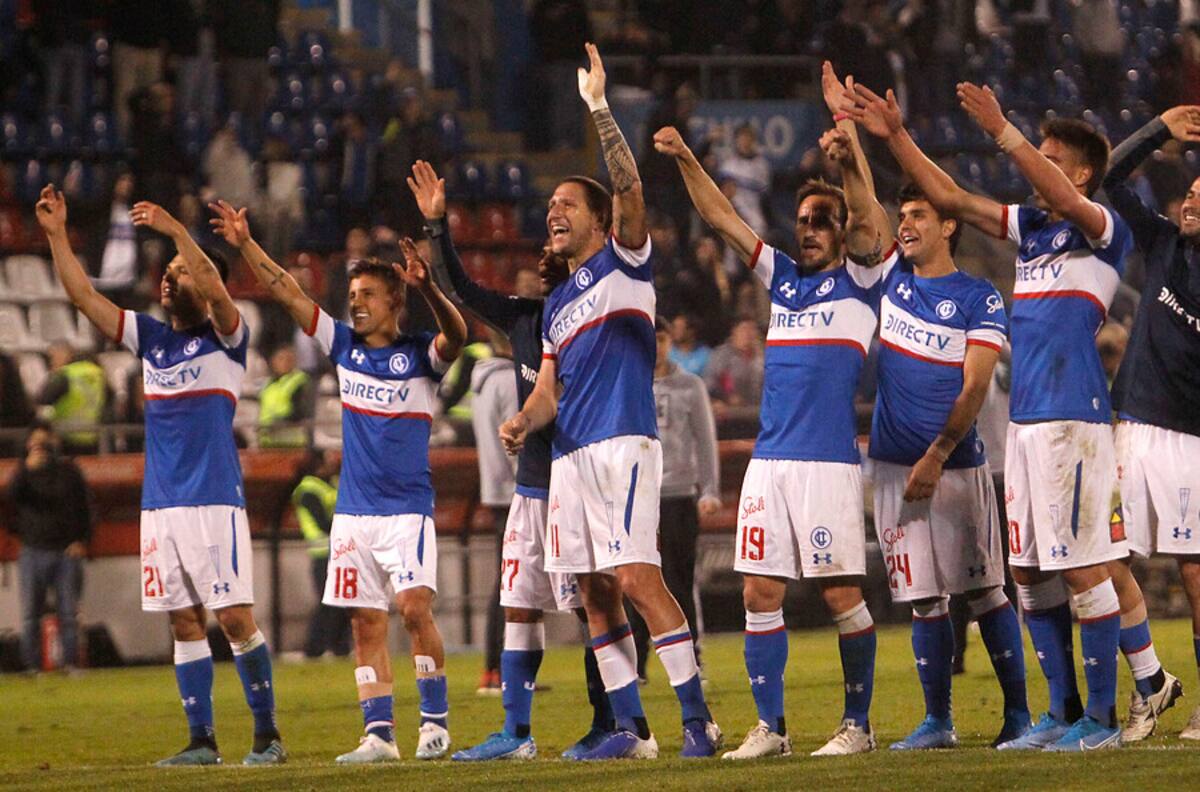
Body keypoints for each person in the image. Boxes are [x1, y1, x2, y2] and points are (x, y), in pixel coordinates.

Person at [849, 76, 1172, 751]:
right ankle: (1063, 710)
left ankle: (1105, 721)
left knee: (1084, 565)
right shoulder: (1033, 232)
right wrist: (897, 136)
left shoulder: (1101, 228)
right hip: (1025, 422)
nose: (1039, 168)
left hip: (1071, 420)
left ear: (1082, 173)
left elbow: (1060, 193)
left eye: (1054, 157)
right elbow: (952, 198)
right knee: (1028, 569)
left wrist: (1004, 131)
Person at [651, 61, 879, 758]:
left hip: (828, 464)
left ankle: (858, 727)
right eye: (803, 220)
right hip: (771, 462)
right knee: (757, 594)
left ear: (841, 233)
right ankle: (772, 729)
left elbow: (869, 215)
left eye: (822, 222)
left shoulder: (864, 283)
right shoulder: (782, 280)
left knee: (841, 596)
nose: (808, 230)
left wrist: (846, 135)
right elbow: (721, 217)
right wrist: (691, 158)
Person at [499, 43, 721, 760]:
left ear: (597, 221)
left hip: (623, 441)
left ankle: (698, 721)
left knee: (635, 576)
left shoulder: (626, 258)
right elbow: (546, 390)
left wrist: (598, 107)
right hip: (569, 457)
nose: (552, 213)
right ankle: (631, 730)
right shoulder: (559, 302)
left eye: (567, 204)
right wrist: (522, 420)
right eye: (549, 206)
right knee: (593, 595)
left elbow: (629, 188)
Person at [209, 190, 467, 763]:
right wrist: (248, 244)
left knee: (414, 609)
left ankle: (433, 723)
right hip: (354, 514)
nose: (356, 304)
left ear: (395, 298)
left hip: (406, 510)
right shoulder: (344, 347)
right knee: (364, 622)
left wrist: (429, 286)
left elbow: (460, 336)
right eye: (351, 295)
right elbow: (287, 292)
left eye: (368, 294)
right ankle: (378, 735)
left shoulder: (421, 354)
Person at [35, 185, 285, 765]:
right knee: (182, 618)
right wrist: (55, 235)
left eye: (182, 272)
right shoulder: (152, 341)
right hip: (161, 504)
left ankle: (267, 736)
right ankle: (202, 742)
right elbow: (82, 297)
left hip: (213, 499)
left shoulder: (228, 336)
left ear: (208, 280)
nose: (171, 279)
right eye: (168, 273)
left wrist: (178, 231)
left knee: (234, 617)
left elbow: (216, 290)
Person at [404, 160, 613, 760]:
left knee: (595, 606)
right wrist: (438, 227)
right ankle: (517, 734)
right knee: (520, 603)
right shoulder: (525, 319)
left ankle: (613, 722)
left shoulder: (592, 317)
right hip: (531, 490)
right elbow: (464, 291)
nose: (542, 269)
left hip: (580, 482)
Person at [841, 159, 1030, 748]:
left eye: (919, 214)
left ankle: (1019, 716)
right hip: (894, 468)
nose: (905, 225)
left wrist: (939, 452)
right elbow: (862, 206)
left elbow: (975, 386)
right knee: (922, 599)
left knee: (984, 589)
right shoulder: (892, 276)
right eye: (904, 216)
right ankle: (938, 721)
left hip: (954, 467)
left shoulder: (978, 296)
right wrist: (848, 142)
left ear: (949, 225)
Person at [1100, 104, 1200, 740]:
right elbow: (1107, 180)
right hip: (1133, 426)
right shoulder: (1163, 240)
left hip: (1193, 439)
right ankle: (1150, 683)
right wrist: (1157, 131)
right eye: (1190, 193)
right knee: (1104, 551)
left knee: (1195, 573)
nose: (1189, 203)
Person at [629, 317, 721, 678]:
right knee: (635, 581)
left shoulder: (690, 386)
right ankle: (637, 662)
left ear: (670, 341)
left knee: (680, 579)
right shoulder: (628, 383)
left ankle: (691, 654)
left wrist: (709, 489)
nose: (657, 346)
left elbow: (705, 438)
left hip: (679, 493)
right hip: (638, 497)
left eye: (662, 338)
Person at [7, 421, 91, 672]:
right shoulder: (23, 473)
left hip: (66, 551)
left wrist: (82, 540)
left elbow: (85, 508)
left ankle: (71, 663)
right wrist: (26, 470)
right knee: (31, 614)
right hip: (33, 550)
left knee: (68, 613)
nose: (41, 449)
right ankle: (31, 666)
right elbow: (10, 500)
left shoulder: (69, 471)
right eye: (36, 444)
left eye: (45, 443)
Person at [292, 450, 351, 659]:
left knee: (346, 601)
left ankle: (341, 647)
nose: (332, 462)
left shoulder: (331, 483)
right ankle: (314, 648)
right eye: (326, 459)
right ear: (317, 465)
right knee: (328, 602)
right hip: (323, 553)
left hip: (342, 551)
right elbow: (322, 522)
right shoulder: (308, 489)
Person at [37, 341, 108, 455]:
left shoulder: (65, 374)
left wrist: (45, 430)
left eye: (54, 357)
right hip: (92, 436)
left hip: (65, 439)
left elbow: (43, 403)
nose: (51, 362)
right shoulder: (99, 373)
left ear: (67, 354)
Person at [257, 343, 313, 448]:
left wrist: (279, 422)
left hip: (290, 442)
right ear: (273, 361)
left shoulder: (300, 381)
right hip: (268, 441)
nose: (285, 363)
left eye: (289, 359)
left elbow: (301, 411)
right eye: (281, 359)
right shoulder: (268, 384)